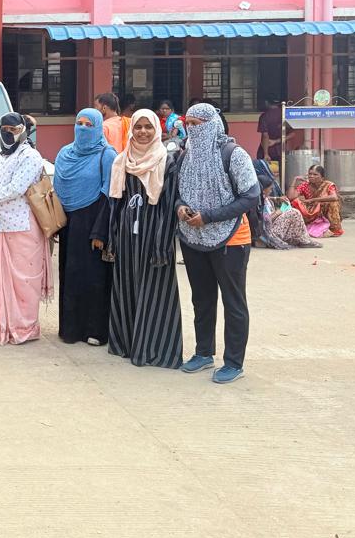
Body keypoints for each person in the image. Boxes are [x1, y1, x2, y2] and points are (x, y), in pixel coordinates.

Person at [175, 103, 260, 385]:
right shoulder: (185, 155)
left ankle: (234, 362)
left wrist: (209, 216)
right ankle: (203, 352)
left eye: (197, 124)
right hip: (193, 238)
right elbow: (178, 193)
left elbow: (250, 196)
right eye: (188, 124)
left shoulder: (233, 154)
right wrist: (180, 208)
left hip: (231, 239)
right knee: (202, 298)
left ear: (212, 124)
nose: (191, 129)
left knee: (233, 301)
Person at [95, 109, 183, 369]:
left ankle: (153, 349)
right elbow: (115, 203)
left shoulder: (166, 161)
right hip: (127, 234)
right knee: (127, 286)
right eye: (138, 127)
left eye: (148, 127)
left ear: (156, 130)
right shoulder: (122, 160)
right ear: (131, 129)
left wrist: (162, 243)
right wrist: (113, 237)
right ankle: (126, 343)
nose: (143, 132)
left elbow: (169, 205)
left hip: (155, 232)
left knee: (155, 288)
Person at [0, 113, 51, 344]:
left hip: (22, 225)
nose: (9, 133)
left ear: (23, 130)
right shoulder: (3, 155)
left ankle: (24, 327)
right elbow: (1, 186)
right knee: (1, 280)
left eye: (14, 129)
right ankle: (0, 324)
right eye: (4, 129)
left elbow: (16, 189)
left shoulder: (30, 155)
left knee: (23, 281)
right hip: (1, 224)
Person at [53, 108, 118, 346]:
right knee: (69, 274)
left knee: (94, 277)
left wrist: (100, 232)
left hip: (93, 222)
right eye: (79, 123)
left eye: (89, 125)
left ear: (99, 127)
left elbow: (110, 194)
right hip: (68, 223)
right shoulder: (65, 153)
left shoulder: (107, 155)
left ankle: (95, 330)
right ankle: (70, 329)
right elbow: (58, 188)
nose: (83, 128)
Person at [252, 160, 318, 250]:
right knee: (293, 212)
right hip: (266, 234)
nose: (271, 191)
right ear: (263, 190)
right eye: (269, 189)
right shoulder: (258, 203)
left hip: (272, 229)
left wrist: (277, 200)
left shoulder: (263, 198)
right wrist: (279, 212)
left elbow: (270, 199)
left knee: (291, 209)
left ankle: (304, 239)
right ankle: (304, 240)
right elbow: (264, 222)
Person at [290, 164, 343, 237]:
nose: (311, 176)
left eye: (315, 174)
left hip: (324, 211)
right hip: (311, 211)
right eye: (310, 174)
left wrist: (314, 200)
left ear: (322, 177)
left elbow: (334, 197)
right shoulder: (305, 185)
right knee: (295, 202)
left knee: (333, 203)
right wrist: (294, 180)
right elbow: (291, 197)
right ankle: (306, 225)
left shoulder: (328, 185)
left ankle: (334, 229)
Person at [257, 98, 283, 162]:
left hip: (269, 150)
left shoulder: (265, 116)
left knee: (265, 168)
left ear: (267, 102)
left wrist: (266, 154)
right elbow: (293, 134)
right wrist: (277, 141)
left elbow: (265, 135)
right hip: (282, 150)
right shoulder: (284, 114)